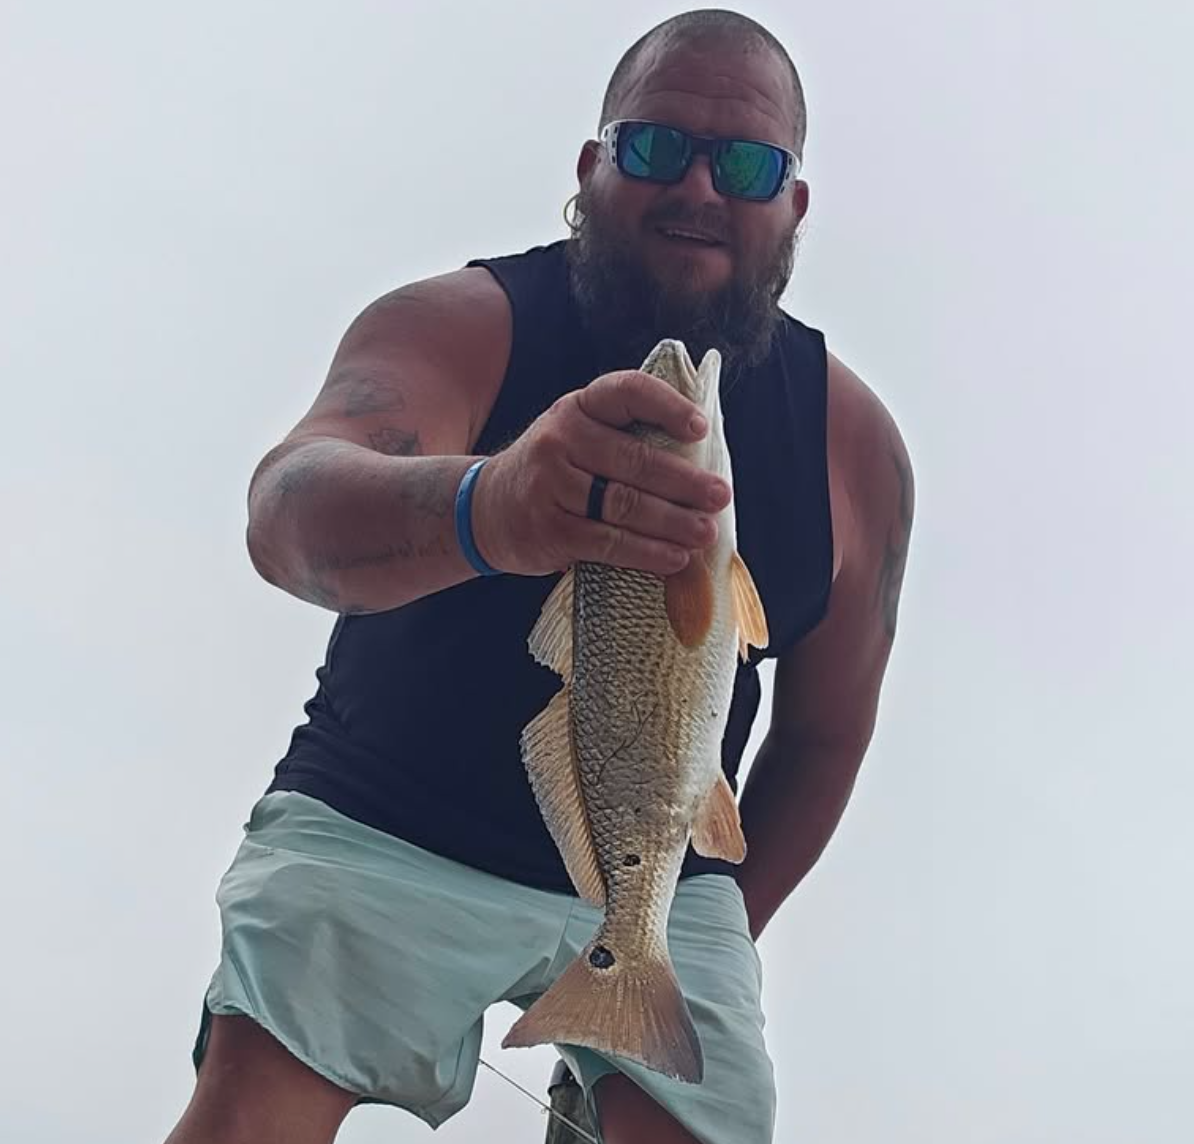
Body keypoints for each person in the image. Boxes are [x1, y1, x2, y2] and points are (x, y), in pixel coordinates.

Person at [163, 9, 914, 1144]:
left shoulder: (852, 448)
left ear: (795, 203)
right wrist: (492, 505)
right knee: (250, 1117)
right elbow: (286, 514)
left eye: (748, 166)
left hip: (667, 872)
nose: (699, 187)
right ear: (590, 166)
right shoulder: (463, 324)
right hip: (385, 815)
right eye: (655, 146)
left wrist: (656, 953)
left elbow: (825, 734)